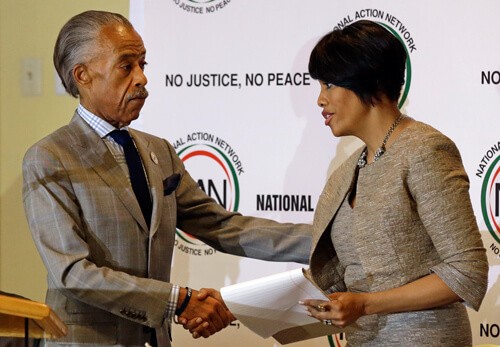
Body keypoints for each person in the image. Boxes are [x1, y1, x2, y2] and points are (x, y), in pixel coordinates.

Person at [22, 10, 311, 347]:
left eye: (144, 65)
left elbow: (223, 226)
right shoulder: (50, 157)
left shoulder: (158, 151)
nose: (142, 78)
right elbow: (73, 274)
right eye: (126, 66)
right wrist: (180, 300)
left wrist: (328, 241)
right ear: (83, 75)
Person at [299, 20, 489, 346]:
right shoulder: (347, 172)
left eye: (329, 84)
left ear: (368, 80)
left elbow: (467, 272)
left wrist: (366, 304)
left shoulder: (424, 149)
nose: (320, 99)